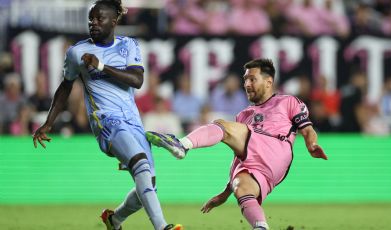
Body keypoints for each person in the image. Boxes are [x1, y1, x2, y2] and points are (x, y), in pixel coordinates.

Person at [31, 1, 182, 230]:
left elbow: (137, 80)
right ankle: (162, 227)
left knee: (148, 183)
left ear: (114, 21)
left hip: (132, 120)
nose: (93, 23)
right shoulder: (77, 52)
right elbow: (65, 87)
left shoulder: (129, 45)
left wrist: (101, 66)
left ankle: (114, 219)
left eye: (99, 19)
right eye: (91, 19)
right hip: (105, 121)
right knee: (140, 164)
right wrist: (48, 122)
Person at [146, 58, 328, 230]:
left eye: (252, 79)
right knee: (241, 187)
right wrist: (226, 192)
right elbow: (239, 158)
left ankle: (182, 144)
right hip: (263, 169)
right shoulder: (243, 115)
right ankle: (261, 226)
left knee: (221, 125)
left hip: (276, 148)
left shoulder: (287, 101)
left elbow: (307, 129)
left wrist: (311, 145)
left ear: (268, 81)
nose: (247, 84)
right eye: (245, 79)